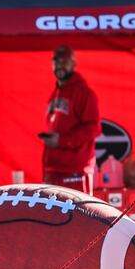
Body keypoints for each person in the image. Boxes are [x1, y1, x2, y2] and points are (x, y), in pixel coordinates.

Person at [40, 45, 101, 195]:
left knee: (77, 217)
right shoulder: (56, 93)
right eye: (56, 61)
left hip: (75, 171)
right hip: (54, 170)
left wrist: (62, 141)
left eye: (64, 61)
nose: (60, 65)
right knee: (52, 217)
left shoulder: (84, 93)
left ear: (73, 64)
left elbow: (93, 129)